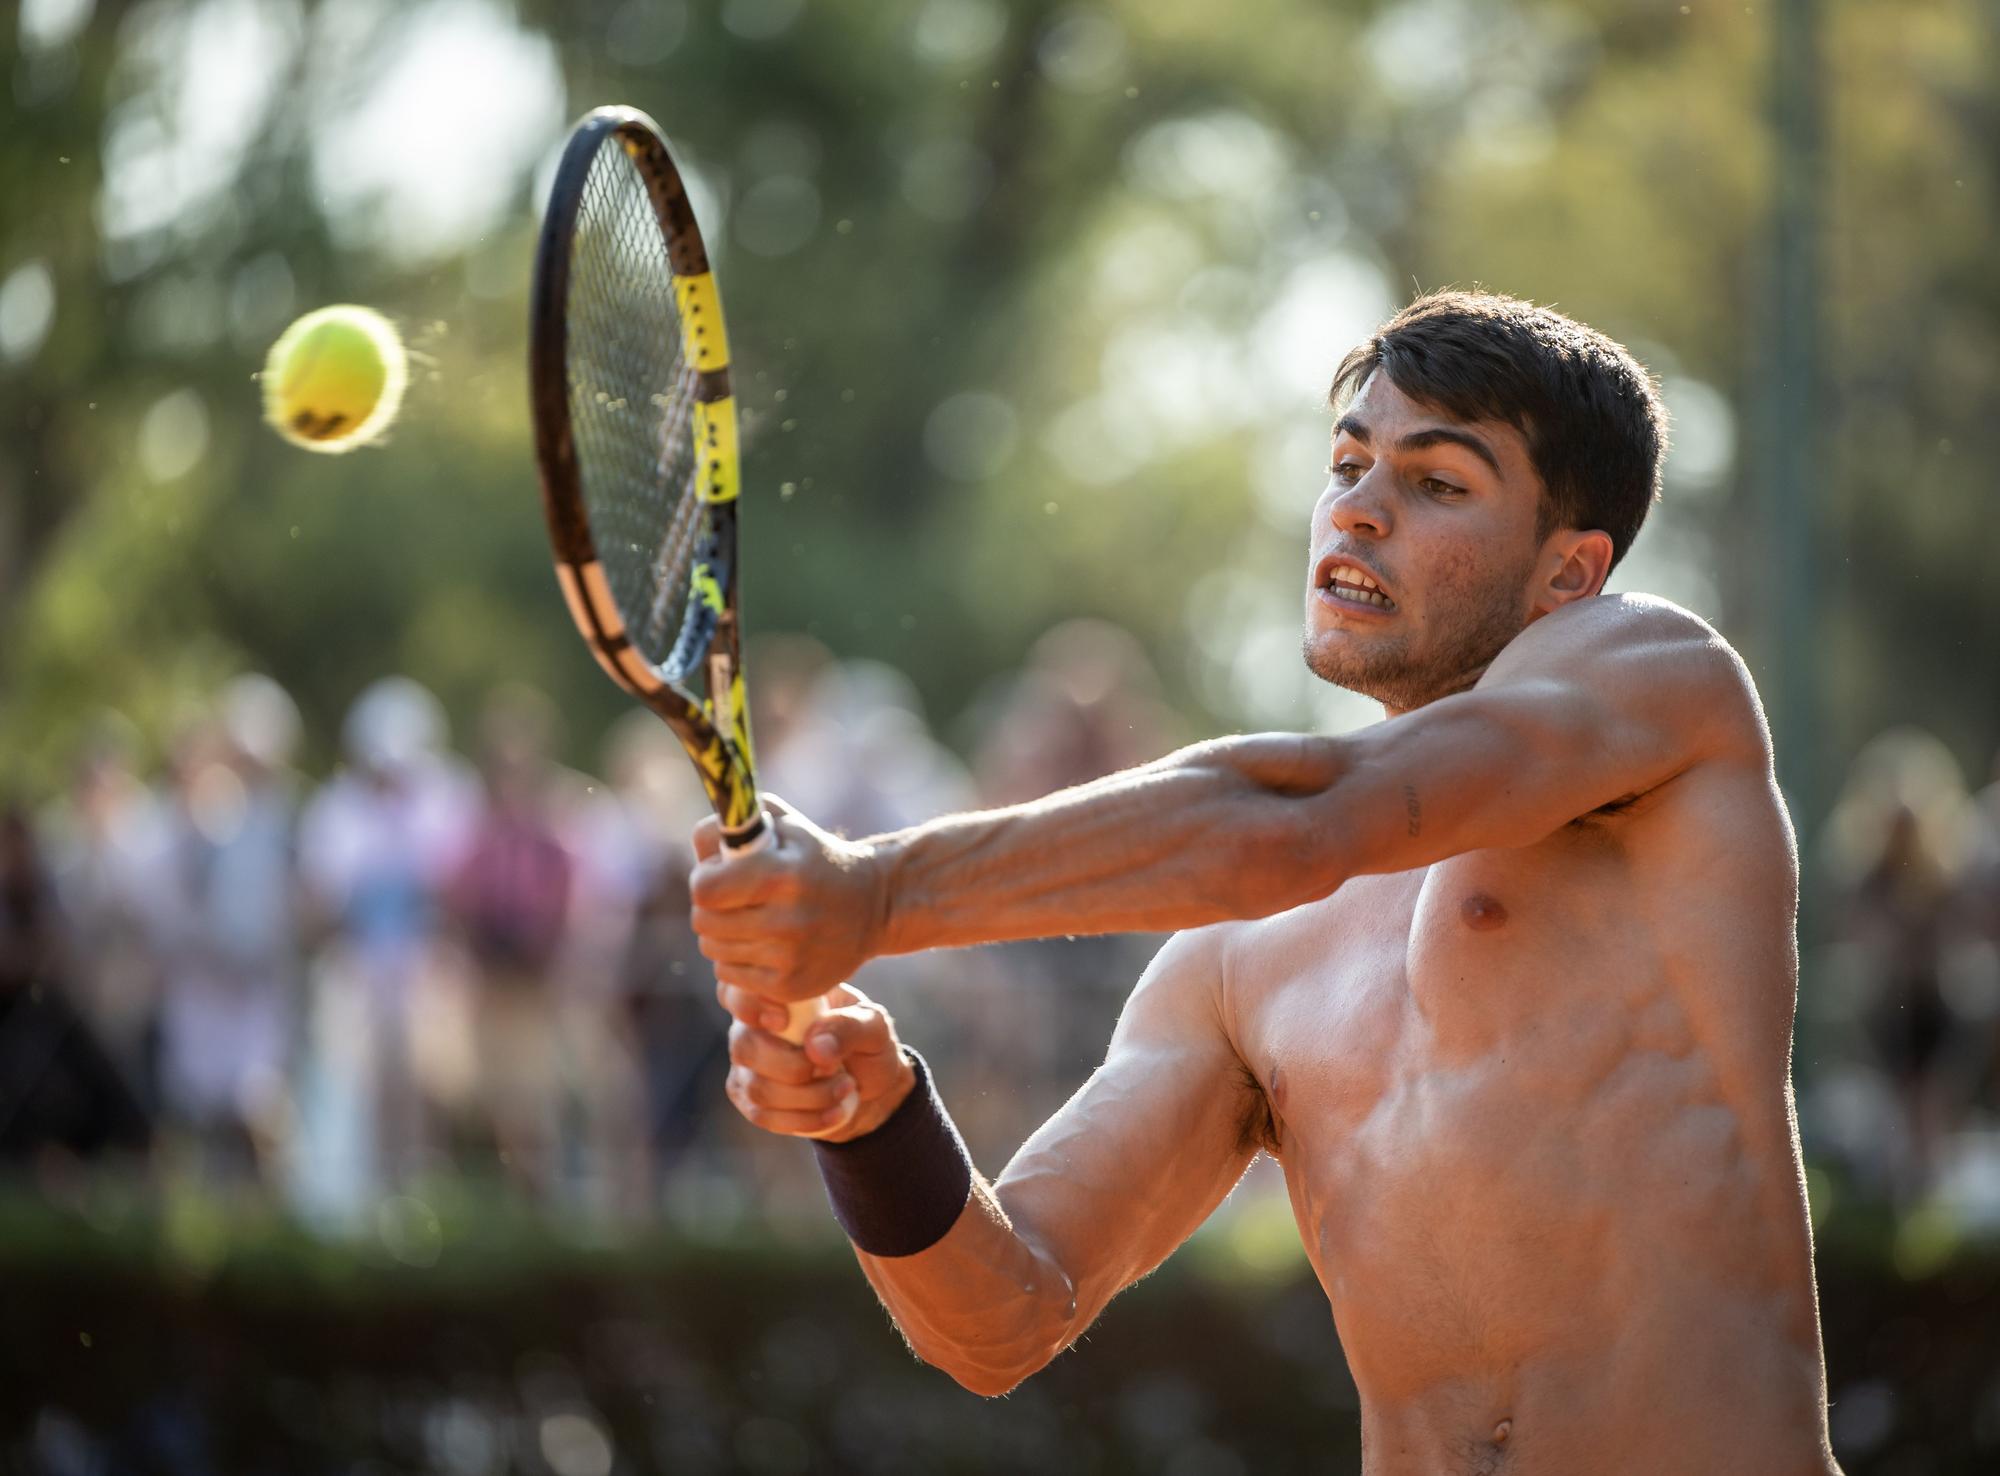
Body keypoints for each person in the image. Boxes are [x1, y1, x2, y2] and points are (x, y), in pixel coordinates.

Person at [692, 290, 1840, 1473]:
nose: (1359, 511)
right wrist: (871, 1116)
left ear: (1567, 573)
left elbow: (1292, 823)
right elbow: (1001, 1320)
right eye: (1346, 464)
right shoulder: (1238, 958)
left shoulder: (1654, 676)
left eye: (1437, 483)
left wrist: (873, 894)